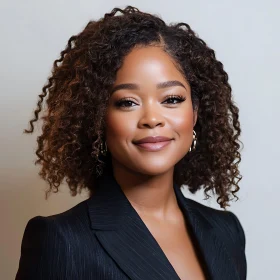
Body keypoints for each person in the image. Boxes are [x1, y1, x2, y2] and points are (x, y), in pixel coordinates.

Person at [15, 5, 246, 280]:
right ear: (99, 118)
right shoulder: (61, 240)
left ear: (194, 112)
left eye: (171, 99)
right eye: (127, 102)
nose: (152, 119)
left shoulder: (226, 231)